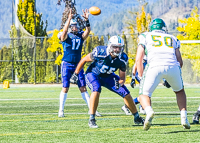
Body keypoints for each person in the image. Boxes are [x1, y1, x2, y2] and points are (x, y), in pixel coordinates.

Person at [70, 35, 144, 128]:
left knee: (125, 93)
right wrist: (75, 74)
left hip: (108, 76)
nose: (117, 50)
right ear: (110, 46)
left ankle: (136, 117)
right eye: (115, 47)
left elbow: (122, 77)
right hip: (93, 74)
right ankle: (92, 119)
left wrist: (120, 83)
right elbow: (84, 59)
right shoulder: (100, 51)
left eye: (119, 48)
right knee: (96, 89)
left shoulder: (123, 58)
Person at [136, 18, 190, 130]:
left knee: (143, 94)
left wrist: (141, 76)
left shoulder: (145, 36)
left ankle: (149, 111)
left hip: (154, 65)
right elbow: (179, 60)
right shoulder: (173, 38)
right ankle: (184, 116)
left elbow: (139, 59)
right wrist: (172, 76)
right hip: (173, 65)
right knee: (179, 91)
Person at [58, 8, 101, 117]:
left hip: (78, 65)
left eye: (76, 25)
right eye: (73, 25)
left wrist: (87, 20)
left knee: (83, 88)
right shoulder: (66, 36)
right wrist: (68, 19)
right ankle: (61, 110)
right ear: (69, 27)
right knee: (65, 87)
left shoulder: (80, 35)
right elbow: (63, 33)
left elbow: (88, 31)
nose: (76, 27)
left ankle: (92, 110)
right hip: (67, 64)